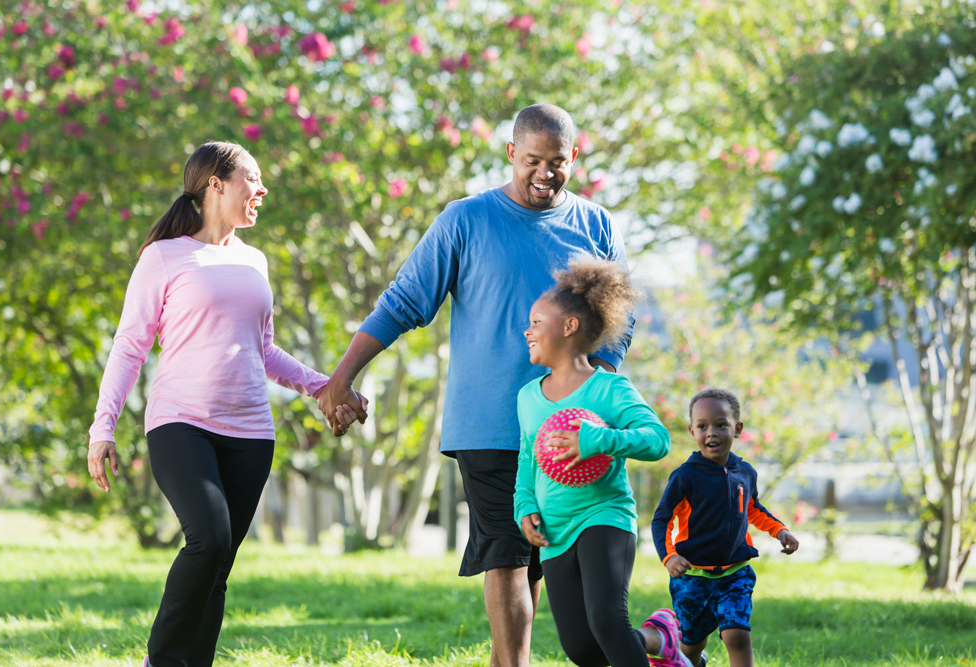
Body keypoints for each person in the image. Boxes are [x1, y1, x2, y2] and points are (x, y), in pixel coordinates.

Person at [317, 104, 634, 667]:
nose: (544, 172)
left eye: (556, 162)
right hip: (488, 421)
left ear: (574, 159)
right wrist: (343, 377)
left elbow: (617, 323)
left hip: (571, 430)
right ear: (511, 154)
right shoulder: (465, 220)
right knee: (506, 553)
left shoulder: (596, 224)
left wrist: (598, 391)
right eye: (532, 160)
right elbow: (405, 301)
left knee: (542, 559)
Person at [86, 141, 363, 667]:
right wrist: (104, 427)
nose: (261, 191)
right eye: (251, 179)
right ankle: (160, 662)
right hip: (181, 423)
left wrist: (327, 387)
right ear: (215, 184)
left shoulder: (254, 260)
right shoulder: (163, 257)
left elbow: (263, 349)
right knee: (207, 540)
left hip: (251, 433)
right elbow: (129, 346)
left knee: (218, 572)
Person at [513, 256, 690, 667]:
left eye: (537, 321)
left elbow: (657, 441)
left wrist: (597, 440)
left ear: (570, 326)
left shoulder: (610, 389)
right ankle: (659, 640)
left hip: (604, 516)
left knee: (608, 621)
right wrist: (524, 507)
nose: (528, 329)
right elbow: (528, 458)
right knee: (581, 648)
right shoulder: (527, 398)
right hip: (555, 530)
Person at [651, 388, 800, 667]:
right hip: (691, 578)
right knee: (692, 644)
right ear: (692, 431)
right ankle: (691, 660)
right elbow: (662, 520)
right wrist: (669, 556)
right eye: (702, 426)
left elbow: (753, 508)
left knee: (737, 636)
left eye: (721, 425)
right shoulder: (685, 476)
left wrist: (779, 530)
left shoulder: (745, 473)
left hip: (735, 573)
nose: (712, 433)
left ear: (738, 428)